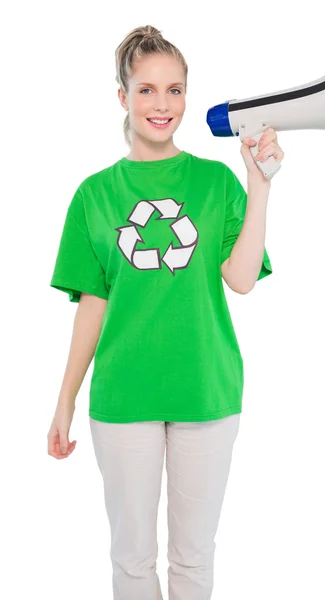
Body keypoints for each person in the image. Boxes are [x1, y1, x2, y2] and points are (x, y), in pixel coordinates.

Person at [47, 24, 284, 600]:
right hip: (124, 398)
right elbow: (92, 308)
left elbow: (243, 279)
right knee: (132, 560)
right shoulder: (93, 195)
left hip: (206, 391)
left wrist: (260, 185)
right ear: (124, 96)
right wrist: (65, 401)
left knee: (193, 558)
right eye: (147, 90)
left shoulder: (215, 181)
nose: (162, 104)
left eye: (175, 90)